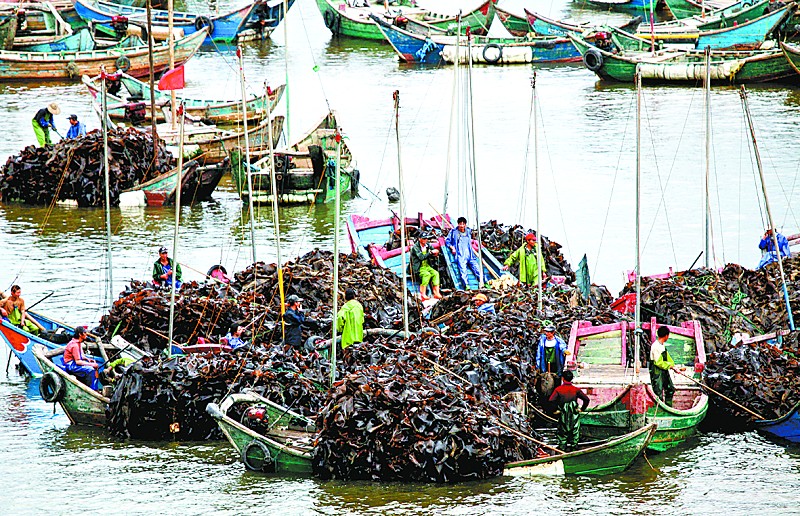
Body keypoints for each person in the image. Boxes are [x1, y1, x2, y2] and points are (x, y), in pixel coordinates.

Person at [548, 370, 590, 451]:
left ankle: (562, 450)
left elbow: (551, 400)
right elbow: (586, 399)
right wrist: (581, 409)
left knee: (562, 433)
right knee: (575, 432)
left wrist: (555, 410)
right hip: (574, 414)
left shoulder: (558, 389)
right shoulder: (576, 389)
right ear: (571, 379)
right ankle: (574, 449)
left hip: (563, 414)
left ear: (563, 379)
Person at [445, 217, 483, 288]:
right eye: (460, 224)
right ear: (458, 224)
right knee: (463, 270)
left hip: (470, 254)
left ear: (465, 225)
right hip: (460, 254)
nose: (462, 226)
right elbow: (447, 241)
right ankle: (466, 285)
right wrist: (452, 248)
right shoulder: (453, 232)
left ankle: (484, 282)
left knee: (477, 269)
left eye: (463, 224)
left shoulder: (468, 231)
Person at [62, 326, 100, 391]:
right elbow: (78, 362)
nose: (86, 334)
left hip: (74, 362)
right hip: (71, 365)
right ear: (80, 334)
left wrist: (87, 359)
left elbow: (81, 356)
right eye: (84, 333)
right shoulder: (75, 345)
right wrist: (91, 365)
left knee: (94, 366)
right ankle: (92, 389)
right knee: (91, 369)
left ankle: (94, 387)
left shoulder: (78, 343)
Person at [409, 232, 442, 300]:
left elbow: (433, 250)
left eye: (426, 239)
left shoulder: (427, 245)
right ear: (419, 239)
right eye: (424, 239)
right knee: (426, 275)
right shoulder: (415, 247)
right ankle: (423, 294)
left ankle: (436, 292)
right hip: (418, 267)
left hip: (427, 265)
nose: (425, 240)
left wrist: (435, 253)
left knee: (436, 273)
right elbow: (421, 257)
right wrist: (430, 253)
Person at [650, 326, 677, 406]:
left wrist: (674, 366)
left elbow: (667, 358)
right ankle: (660, 411)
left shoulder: (662, 345)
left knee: (670, 388)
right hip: (656, 371)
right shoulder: (655, 346)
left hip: (664, 369)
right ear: (666, 336)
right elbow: (658, 362)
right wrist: (670, 366)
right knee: (658, 393)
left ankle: (669, 407)